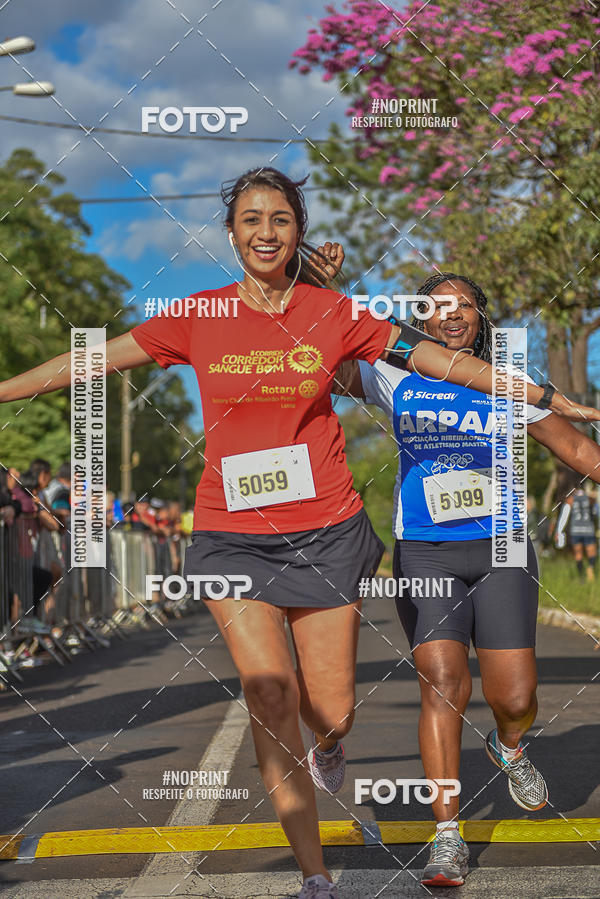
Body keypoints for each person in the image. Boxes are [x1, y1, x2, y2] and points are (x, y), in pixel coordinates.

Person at [1, 171, 597, 899]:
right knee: (269, 688)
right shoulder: (197, 315)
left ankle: (342, 741)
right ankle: (315, 874)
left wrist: (539, 394)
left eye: (280, 219)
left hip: (327, 533)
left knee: (333, 709)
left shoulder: (332, 311)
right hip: (231, 535)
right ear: (231, 233)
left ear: (297, 230)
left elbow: (436, 359)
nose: (265, 231)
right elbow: (88, 359)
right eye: (250, 219)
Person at [332, 269, 600, 888]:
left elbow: (580, 452)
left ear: (481, 316)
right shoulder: (393, 374)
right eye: (436, 307)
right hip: (426, 552)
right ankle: (446, 836)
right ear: (421, 319)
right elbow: (331, 355)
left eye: (464, 307)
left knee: (513, 698)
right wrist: (324, 286)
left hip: (503, 547)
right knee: (444, 684)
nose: (450, 315)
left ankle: (509, 746)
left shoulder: (507, 383)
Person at [555, 487, 598, 580]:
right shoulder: (590, 498)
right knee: (592, 552)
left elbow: (564, 517)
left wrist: (559, 531)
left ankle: (581, 576)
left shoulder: (570, 499)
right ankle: (590, 567)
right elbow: (595, 512)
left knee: (578, 554)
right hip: (588, 530)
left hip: (575, 530)